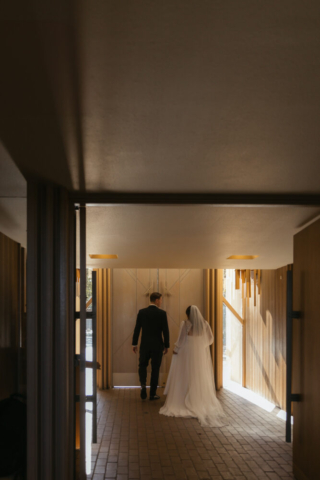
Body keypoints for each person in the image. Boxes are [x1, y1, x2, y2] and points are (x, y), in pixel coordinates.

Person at [160, 305, 228, 427]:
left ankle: (183, 400)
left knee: (185, 374)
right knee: (198, 375)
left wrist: (176, 349)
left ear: (188, 314)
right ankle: (198, 400)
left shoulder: (185, 324)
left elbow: (181, 339)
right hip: (199, 354)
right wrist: (201, 346)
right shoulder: (205, 324)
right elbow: (211, 339)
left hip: (187, 353)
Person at [132, 292, 170, 400]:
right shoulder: (162, 313)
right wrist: (166, 345)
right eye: (161, 300)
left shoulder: (142, 312)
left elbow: (137, 329)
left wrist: (134, 343)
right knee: (155, 369)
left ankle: (143, 385)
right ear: (157, 300)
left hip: (144, 345)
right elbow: (165, 331)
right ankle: (152, 394)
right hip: (157, 346)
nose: (161, 302)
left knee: (142, 366)